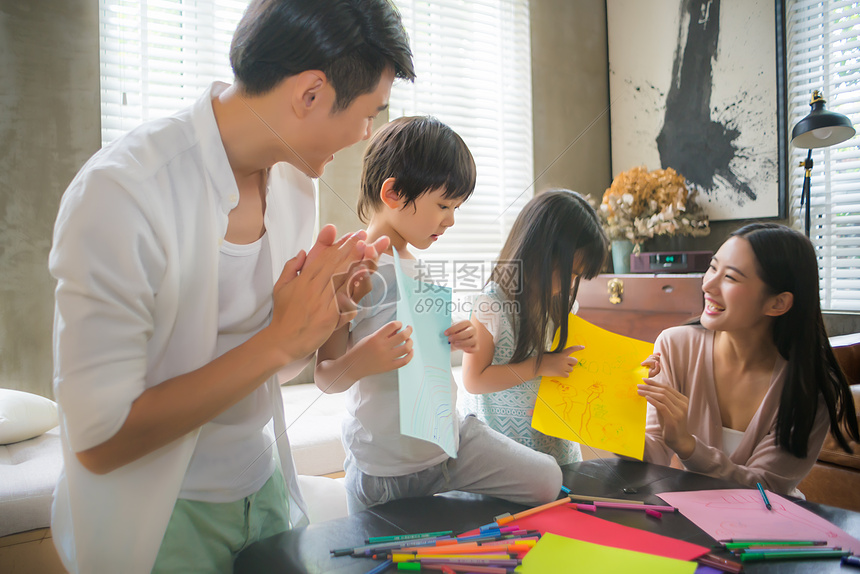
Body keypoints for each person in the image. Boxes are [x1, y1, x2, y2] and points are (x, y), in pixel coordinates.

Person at [48, 1, 414, 572]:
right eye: (369, 114)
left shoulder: (293, 178)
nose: (367, 134)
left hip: (262, 487)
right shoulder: (121, 194)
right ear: (311, 93)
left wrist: (322, 318)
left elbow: (271, 372)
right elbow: (99, 442)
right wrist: (277, 339)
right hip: (163, 515)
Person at [314, 116, 565, 513]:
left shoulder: (419, 267)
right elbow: (326, 377)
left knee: (549, 479)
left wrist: (455, 336)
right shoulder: (349, 267)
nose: (450, 220)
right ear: (394, 193)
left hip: (449, 444)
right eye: (444, 205)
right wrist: (361, 360)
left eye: (456, 207)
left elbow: (424, 354)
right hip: (384, 467)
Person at [638, 223, 860, 496]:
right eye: (712, 267)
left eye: (730, 277)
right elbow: (651, 458)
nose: (708, 284)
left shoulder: (808, 386)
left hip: (771, 529)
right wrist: (614, 419)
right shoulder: (674, 346)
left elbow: (766, 488)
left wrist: (687, 446)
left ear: (777, 303)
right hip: (691, 518)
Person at [460, 190, 609, 464]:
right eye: (570, 274)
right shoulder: (493, 305)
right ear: (540, 253)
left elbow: (570, 365)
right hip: (502, 453)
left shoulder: (561, 305)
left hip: (554, 448)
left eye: (578, 277)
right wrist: (539, 366)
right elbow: (473, 380)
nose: (571, 285)